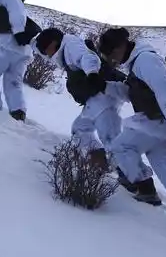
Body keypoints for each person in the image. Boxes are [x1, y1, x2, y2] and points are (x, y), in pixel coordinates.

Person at [96, 27, 166, 235]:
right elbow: (132, 93)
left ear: (120, 46)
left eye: (112, 53)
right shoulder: (137, 63)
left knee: (121, 147)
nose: (113, 59)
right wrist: (104, 86)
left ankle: (145, 189)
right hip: (162, 124)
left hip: (157, 120)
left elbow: (165, 88)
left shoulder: (145, 60)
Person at [33, 27, 128, 169]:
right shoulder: (65, 49)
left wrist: (92, 74)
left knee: (109, 136)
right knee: (81, 129)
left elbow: (87, 57)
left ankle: (135, 178)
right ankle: (100, 161)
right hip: (99, 96)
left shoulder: (71, 46)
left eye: (44, 49)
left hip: (103, 94)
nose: (45, 54)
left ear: (52, 43)